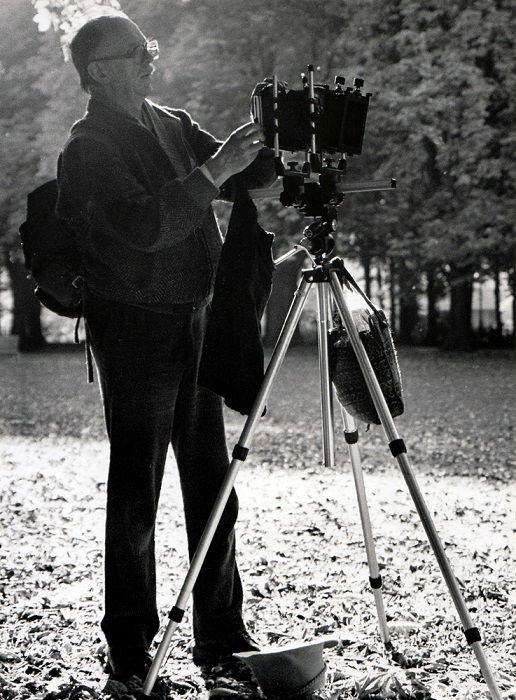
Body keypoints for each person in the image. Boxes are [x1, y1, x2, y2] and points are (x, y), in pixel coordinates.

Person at [56, 12, 274, 689]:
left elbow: (240, 178)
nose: (151, 58)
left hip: (196, 320)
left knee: (213, 486)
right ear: (98, 69)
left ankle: (222, 633)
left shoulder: (172, 122)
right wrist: (217, 171)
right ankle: (129, 648)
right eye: (135, 51)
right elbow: (147, 226)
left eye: (150, 47)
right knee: (137, 495)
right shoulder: (89, 148)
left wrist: (276, 140)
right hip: (134, 331)